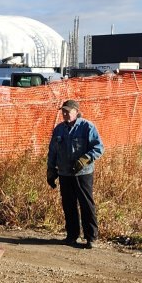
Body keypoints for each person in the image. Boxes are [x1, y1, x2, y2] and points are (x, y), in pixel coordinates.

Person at [46, 100, 104, 248]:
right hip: (65, 173)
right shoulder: (59, 129)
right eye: (63, 111)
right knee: (68, 205)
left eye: (68, 111)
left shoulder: (87, 127)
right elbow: (52, 151)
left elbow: (98, 147)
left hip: (83, 173)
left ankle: (91, 238)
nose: (65, 114)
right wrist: (51, 170)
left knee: (86, 204)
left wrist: (85, 159)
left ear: (76, 112)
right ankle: (72, 236)